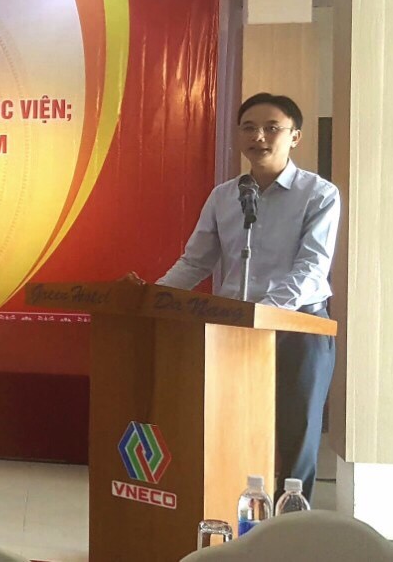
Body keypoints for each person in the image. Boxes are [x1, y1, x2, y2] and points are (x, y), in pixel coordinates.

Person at [150, 92, 341, 503]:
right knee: (229, 430)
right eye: (249, 128)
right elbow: (195, 262)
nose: (259, 137)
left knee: (295, 436)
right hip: (232, 331)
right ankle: (230, 517)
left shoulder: (319, 194)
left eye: (272, 128)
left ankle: (289, 525)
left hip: (298, 331)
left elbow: (311, 269)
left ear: (295, 136)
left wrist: (260, 313)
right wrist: (153, 296)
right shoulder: (224, 196)